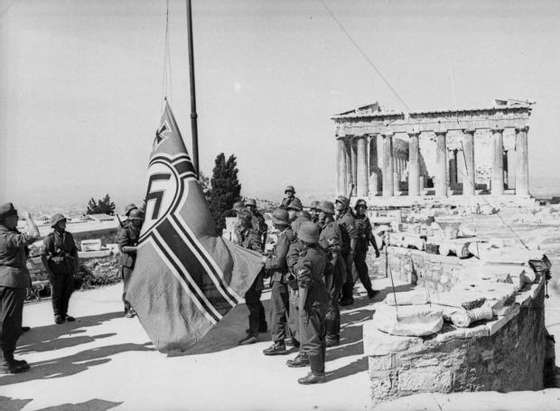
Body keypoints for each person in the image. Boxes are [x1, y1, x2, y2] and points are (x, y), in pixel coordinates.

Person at [0, 203, 39, 374]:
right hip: (11, 282)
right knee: (11, 323)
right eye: (15, 217)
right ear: (6, 218)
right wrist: (29, 218)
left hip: (6, 280)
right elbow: (34, 234)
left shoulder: (6, 233)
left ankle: (5, 359)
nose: (17, 219)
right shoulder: (6, 236)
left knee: (5, 321)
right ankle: (6, 362)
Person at [289, 222, 328, 385]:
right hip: (322, 297)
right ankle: (319, 369)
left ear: (303, 239)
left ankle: (316, 374)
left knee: (311, 336)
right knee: (320, 335)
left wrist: (302, 307)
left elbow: (303, 285)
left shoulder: (306, 259)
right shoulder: (320, 252)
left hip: (311, 300)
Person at [262, 208, 295, 355]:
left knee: (277, 311)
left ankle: (279, 343)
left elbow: (279, 261)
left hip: (280, 278)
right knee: (289, 310)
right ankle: (295, 338)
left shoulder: (284, 237)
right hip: (287, 278)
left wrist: (266, 262)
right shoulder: (289, 233)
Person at [235, 210, 267, 345]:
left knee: (252, 302)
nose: (237, 221)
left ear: (244, 221)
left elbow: (259, 254)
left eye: (238, 219)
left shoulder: (252, 235)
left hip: (254, 274)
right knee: (255, 301)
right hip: (249, 273)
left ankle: (254, 333)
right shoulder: (243, 234)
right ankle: (262, 326)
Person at [41, 214, 79, 324]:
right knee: (56, 293)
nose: (64, 223)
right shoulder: (50, 238)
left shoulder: (69, 236)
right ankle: (57, 314)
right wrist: (49, 271)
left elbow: (74, 252)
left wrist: (76, 267)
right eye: (61, 222)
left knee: (67, 292)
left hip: (68, 268)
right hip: (56, 270)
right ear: (55, 225)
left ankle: (64, 313)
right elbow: (42, 255)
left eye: (64, 221)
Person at [317, 200, 344, 347]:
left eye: (320, 211)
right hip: (331, 269)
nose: (318, 214)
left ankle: (331, 336)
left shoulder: (331, 229)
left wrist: (328, 274)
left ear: (326, 214)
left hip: (332, 271)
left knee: (330, 303)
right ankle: (332, 334)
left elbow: (334, 252)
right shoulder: (327, 227)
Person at [116, 205, 145, 318]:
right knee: (128, 287)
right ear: (132, 220)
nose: (139, 223)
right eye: (137, 221)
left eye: (140, 221)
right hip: (128, 262)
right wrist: (137, 248)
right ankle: (127, 309)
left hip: (139, 261)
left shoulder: (142, 228)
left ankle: (138, 308)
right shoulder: (125, 230)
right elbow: (122, 247)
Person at [353, 199, 380, 299]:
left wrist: (376, 248)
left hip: (361, 249)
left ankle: (369, 290)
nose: (361, 209)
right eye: (359, 207)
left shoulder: (366, 220)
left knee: (362, 270)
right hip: (352, 249)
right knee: (352, 271)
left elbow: (370, 235)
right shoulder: (351, 218)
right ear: (356, 208)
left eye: (363, 207)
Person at [335, 196, 358, 306]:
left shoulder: (348, 218)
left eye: (339, 203)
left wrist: (351, 253)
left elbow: (353, 237)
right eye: (337, 203)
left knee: (347, 274)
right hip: (341, 250)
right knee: (341, 274)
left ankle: (348, 297)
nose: (337, 205)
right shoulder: (340, 217)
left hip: (346, 251)